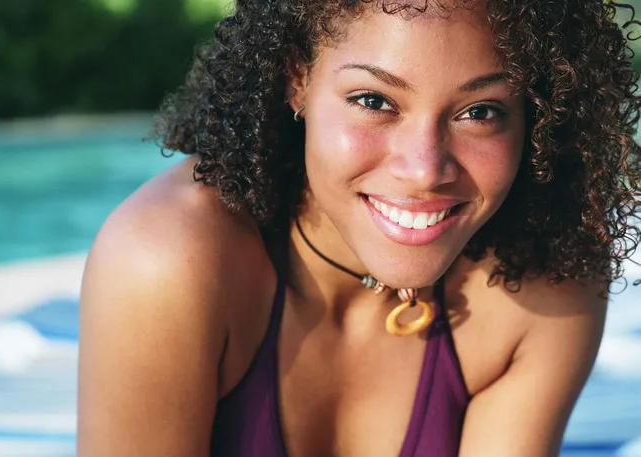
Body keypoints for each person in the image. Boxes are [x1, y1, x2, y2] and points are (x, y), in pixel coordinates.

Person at [76, 1, 641, 456]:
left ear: (536, 113)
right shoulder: (168, 262)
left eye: (480, 111)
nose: (424, 169)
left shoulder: (545, 285)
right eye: (373, 101)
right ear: (297, 79)